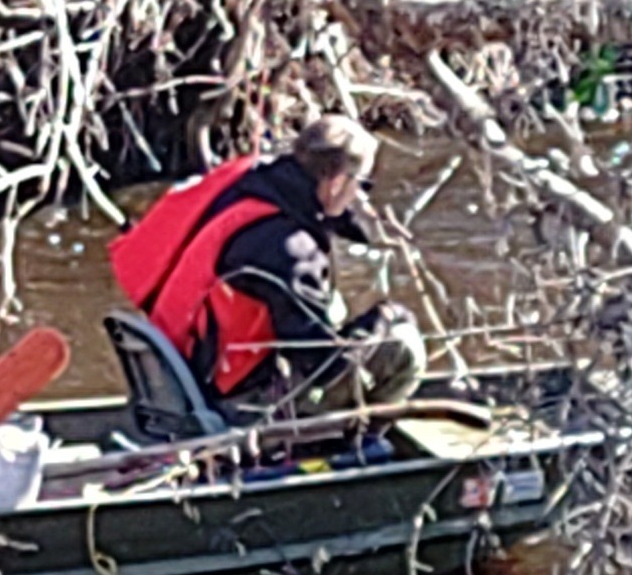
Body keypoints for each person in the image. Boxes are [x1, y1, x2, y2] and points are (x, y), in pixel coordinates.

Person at [108, 110, 427, 416]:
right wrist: (383, 318)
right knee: (401, 344)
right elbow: (320, 363)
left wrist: (348, 220)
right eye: (362, 185)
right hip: (236, 405)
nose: (361, 195)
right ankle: (359, 445)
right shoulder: (291, 251)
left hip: (178, 374)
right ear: (337, 182)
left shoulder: (245, 181)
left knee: (333, 312)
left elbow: (308, 203)